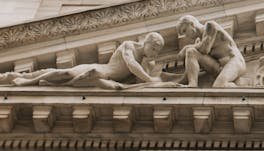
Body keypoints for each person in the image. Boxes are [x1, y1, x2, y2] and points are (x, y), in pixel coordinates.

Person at [0, 32, 181, 90]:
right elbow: (131, 65)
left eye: (158, 51)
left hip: (102, 80)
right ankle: (27, 81)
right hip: (99, 69)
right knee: (67, 73)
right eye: (155, 48)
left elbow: (139, 85)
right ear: (148, 42)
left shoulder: (147, 62)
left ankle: (46, 82)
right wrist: (151, 80)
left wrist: (151, 71)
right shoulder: (129, 46)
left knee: (111, 86)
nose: (156, 53)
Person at [177, 15, 246, 88]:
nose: (186, 36)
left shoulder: (210, 26)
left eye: (184, 30)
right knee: (191, 52)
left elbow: (205, 48)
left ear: (192, 24)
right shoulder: (198, 42)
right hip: (219, 67)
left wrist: (186, 48)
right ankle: (192, 84)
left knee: (219, 86)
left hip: (234, 61)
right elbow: (189, 69)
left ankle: (244, 86)